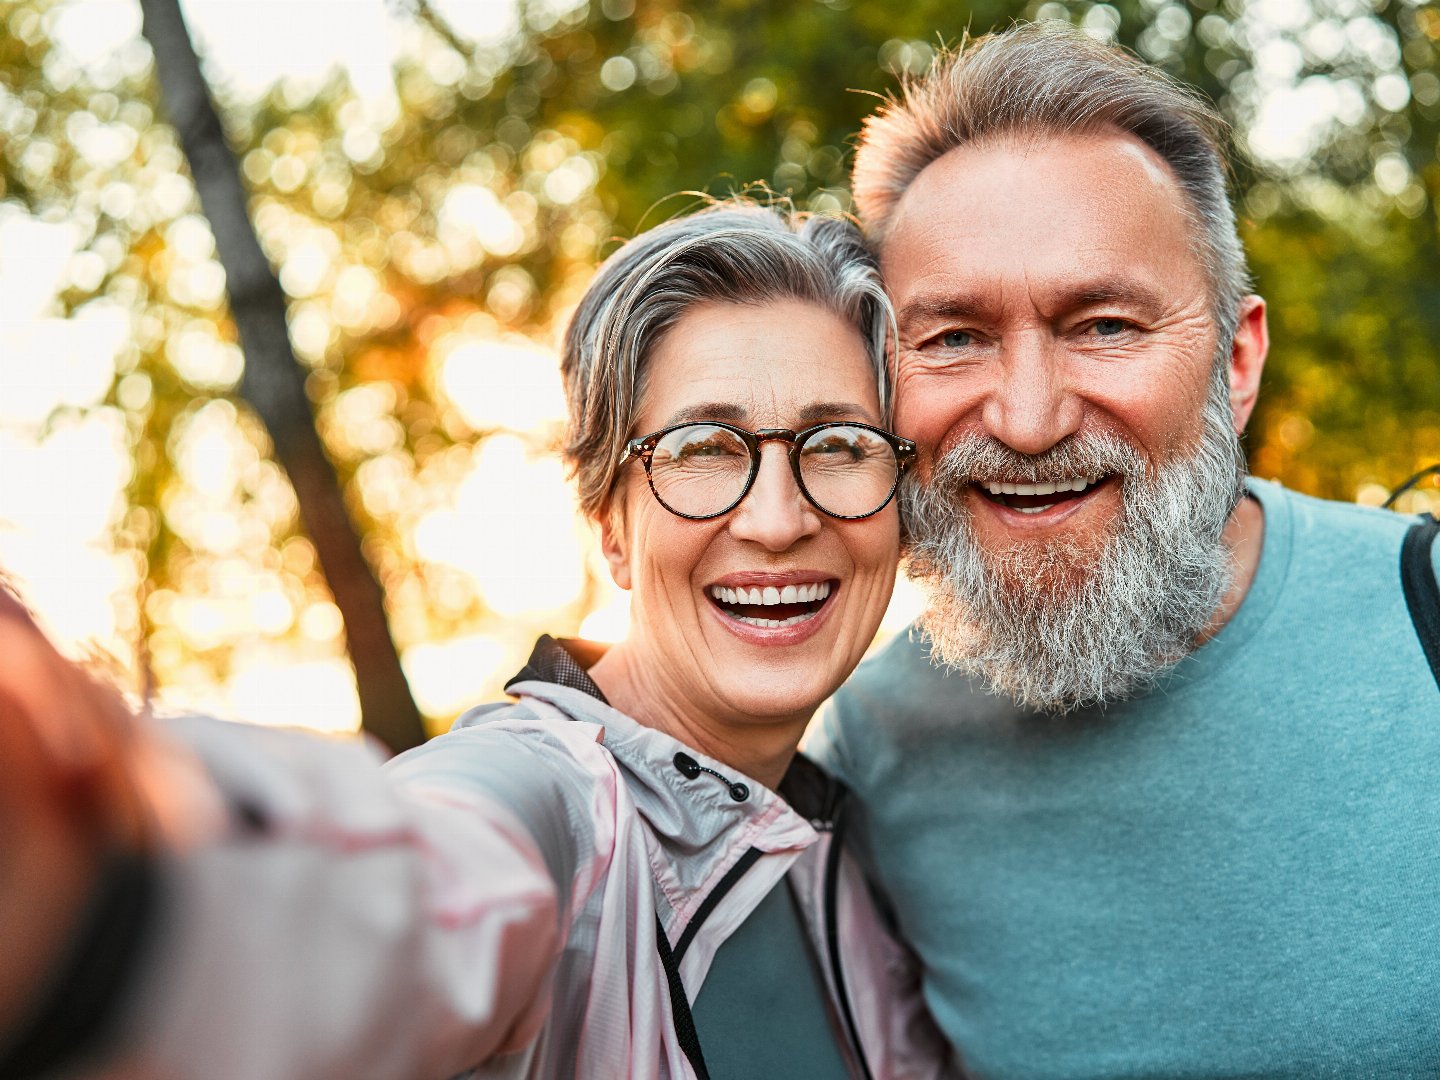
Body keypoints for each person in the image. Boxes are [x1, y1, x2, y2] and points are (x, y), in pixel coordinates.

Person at [0, 203, 958, 1079]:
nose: (780, 518)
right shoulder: (550, 804)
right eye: (704, 451)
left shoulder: (852, 848)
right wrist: (116, 858)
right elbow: (415, 888)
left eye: (839, 446)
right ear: (611, 527)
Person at [811, 21, 1440, 1080]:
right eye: (953, 337)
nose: (1025, 418)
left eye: (1103, 324)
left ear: (1235, 364)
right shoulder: (868, 751)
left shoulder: (1426, 626)